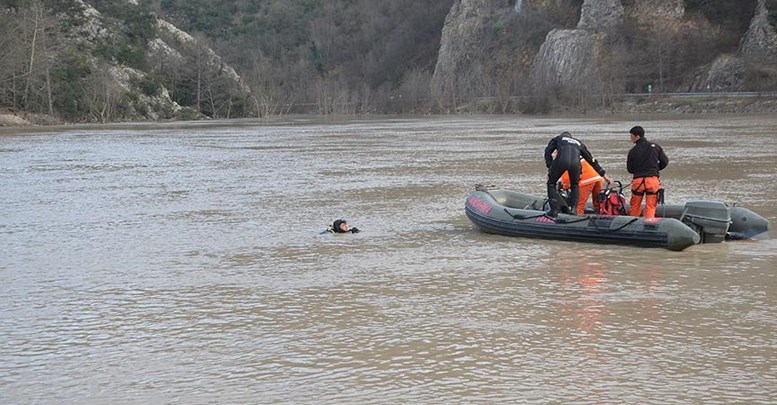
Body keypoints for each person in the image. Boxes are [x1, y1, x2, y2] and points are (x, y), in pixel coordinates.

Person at [544, 132, 611, 217]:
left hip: (586, 180)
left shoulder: (558, 140)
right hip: (596, 178)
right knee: (575, 186)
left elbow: (547, 151)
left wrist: (550, 166)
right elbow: (592, 160)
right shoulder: (579, 144)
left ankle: (555, 211)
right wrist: (604, 175)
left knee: (551, 184)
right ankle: (574, 210)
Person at [626, 126, 668, 218]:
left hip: (638, 181)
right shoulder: (655, 147)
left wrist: (639, 171)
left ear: (637, 136)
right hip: (652, 180)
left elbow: (630, 169)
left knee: (635, 205)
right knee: (651, 205)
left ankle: (632, 223)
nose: (630, 138)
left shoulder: (632, 151)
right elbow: (665, 162)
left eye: (631, 136)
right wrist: (655, 169)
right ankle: (649, 223)